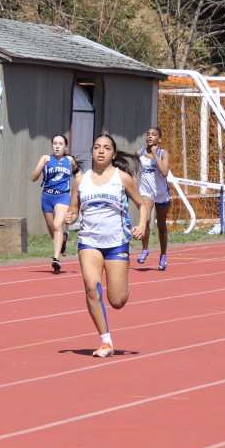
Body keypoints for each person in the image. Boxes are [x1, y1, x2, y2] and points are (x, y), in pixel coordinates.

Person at [64, 134, 148, 358]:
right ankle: (106, 341)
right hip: (89, 242)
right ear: (92, 151)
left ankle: (122, 284)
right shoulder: (81, 181)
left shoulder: (123, 178)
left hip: (116, 243)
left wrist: (141, 224)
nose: (101, 151)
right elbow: (74, 209)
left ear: (113, 153)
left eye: (106, 148)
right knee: (91, 287)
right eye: (97, 147)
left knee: (117, 301)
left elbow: (142, 205)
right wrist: (71, 216)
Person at [30, 134, 79, 273]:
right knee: (53, 230)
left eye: (60, 144)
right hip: (47, 196)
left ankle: (56, 259)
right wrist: (42, 164)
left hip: (62, 197)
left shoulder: (69, 160)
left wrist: (81, 183)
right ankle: (63, 238)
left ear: (65, 147)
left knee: (57, 225)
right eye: (55, 143)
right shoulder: (46, 158)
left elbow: (78, 173)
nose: (57, 146)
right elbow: (33, 178)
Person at [136, 126, 171, 271]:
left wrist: (156, 154)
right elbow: (134, 165)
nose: (150, 136)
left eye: (154, 134)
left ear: (159, 139)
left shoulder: (163, 153)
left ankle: (163, 255)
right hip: (146, 192)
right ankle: (145, 249)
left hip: (161, 193)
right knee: (145, 220)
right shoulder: (139, 153)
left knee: (161, 225)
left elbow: (164, 172)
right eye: (148, 134)